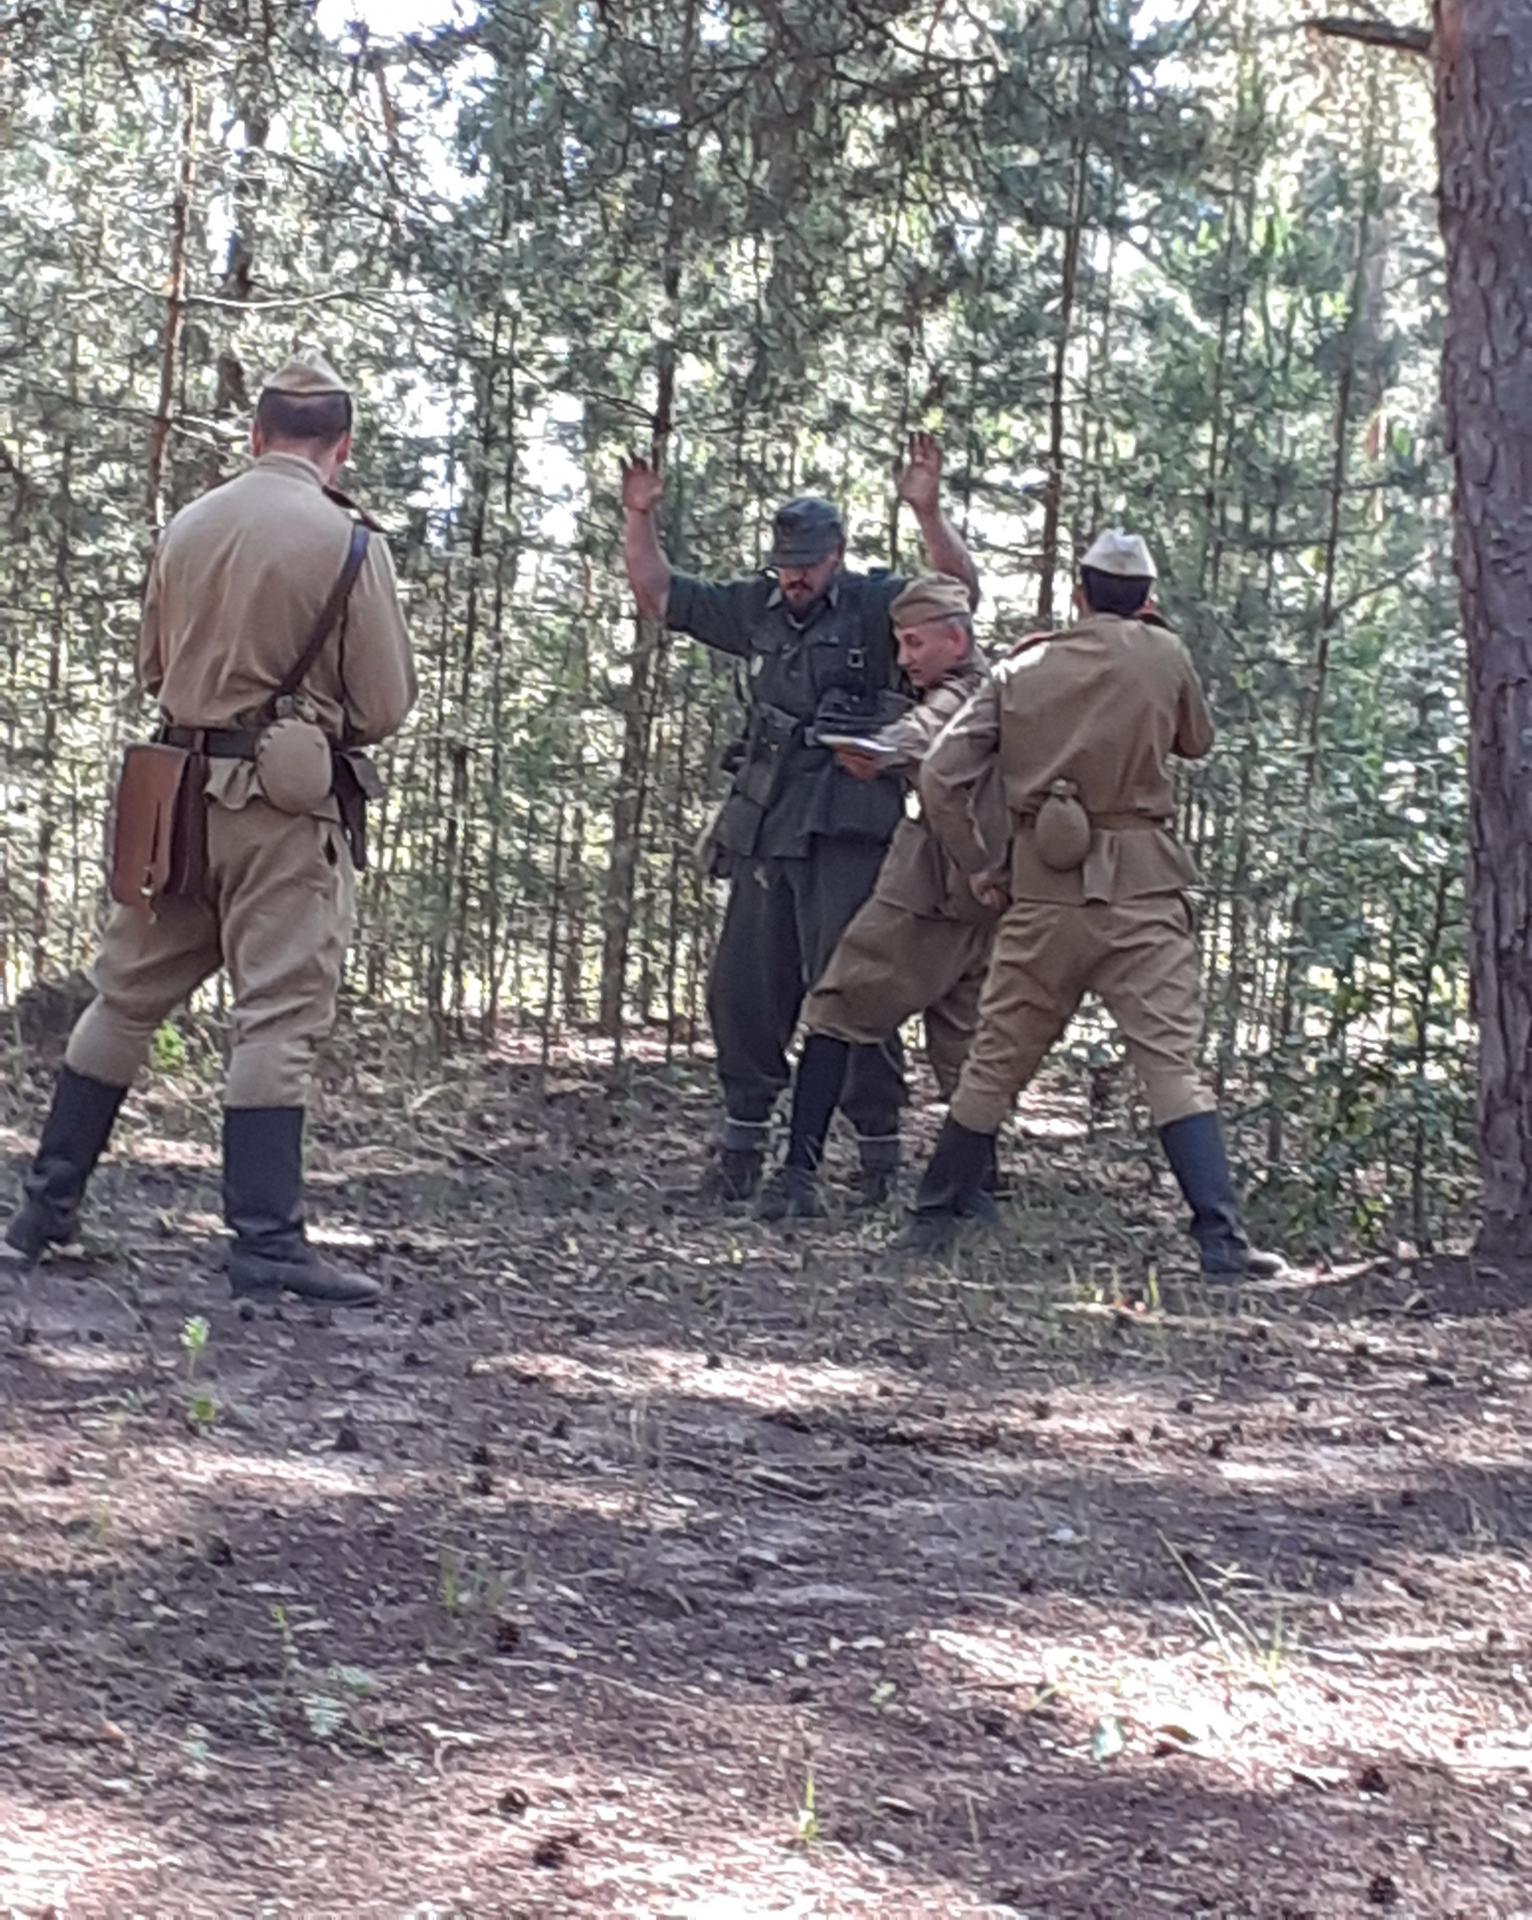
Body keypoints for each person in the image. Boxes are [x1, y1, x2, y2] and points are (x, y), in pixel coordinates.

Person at [4, 350, 417, 1306]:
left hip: (177, 802)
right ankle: (265, 1244)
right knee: (276, 1014)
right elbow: (385, 703)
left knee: (122, 998)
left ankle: (42, 1212)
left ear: (256, 433)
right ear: (343, 446)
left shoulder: (187, 525)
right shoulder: (351, 544)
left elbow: (155, 668)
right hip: (282, 818)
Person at [899, 530, 1282, 1277]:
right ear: (1145, 599)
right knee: (1170, 1068)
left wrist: (980, 864)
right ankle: (1221, 1243)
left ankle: (929, 1225)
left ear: (1079, 593)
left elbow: (941, 772)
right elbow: (1197, 742)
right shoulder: (1164, 655)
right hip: (1142, 895)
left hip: (1042, 895)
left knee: (993, 1066)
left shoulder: (1021, 667)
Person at [621, 434, 978, 1205]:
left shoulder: (877, 605)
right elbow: (659, 594)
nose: (795, 579)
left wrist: (927, 510)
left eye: (808, 566)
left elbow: (956, 595)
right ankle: (741, 1147)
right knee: (743, 991)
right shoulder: (758, 607)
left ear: (836, 556)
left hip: (850, 823)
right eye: (786, 565)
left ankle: (875, 1154)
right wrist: (639, 516)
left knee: (853, 987)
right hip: (765, 819)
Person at [754, 572, 1005, 1220]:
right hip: (989, 894)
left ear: (957, 640)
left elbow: (929, 729)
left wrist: (881, 749)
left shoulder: (969, 692)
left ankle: (797, 1176)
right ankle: (978, 1191)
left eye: (916, 643)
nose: (905, 658)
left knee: (836, 1007)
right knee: (965, 1046)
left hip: (931, 890)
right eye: (899, 643)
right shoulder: (1006, 687)